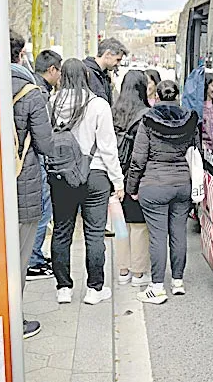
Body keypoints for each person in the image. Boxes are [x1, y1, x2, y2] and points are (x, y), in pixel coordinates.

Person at [49, 58, 124, 305]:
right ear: (86, 76)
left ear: (62, 77)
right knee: (94, 233)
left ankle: (63, 288)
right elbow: (108, 147)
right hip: (95, 175)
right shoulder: (98, 105)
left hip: (62, 176)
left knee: (62, 231)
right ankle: (94, 289)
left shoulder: (53, 102)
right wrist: (118, 180)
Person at [127, 80, 199, 304]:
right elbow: (194, 150)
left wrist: (132, 188)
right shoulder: (190, 119)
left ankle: (157, 286)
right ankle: (178, 282)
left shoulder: (148, 120)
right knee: (179, 233)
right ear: (177, 96)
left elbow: (138, 158)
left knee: (158, 236)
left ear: (156, 96)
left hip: (154, 184)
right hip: (182, 183)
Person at [10, 30, 53, 338]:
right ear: (21, 54)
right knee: (19, 257)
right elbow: (46, 144)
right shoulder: (30, 92)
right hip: (22, 183)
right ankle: (14, 320)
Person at [112, 71, 152, 288]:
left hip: (115, 175)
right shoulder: (146, 114)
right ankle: (138, 273)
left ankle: (122, 271)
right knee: (138, 227)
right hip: (137, 176)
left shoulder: (113, 111)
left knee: (120, 226)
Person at [26, 50, 62, 281]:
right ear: (52, 70)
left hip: (27, 158)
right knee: (42, 209)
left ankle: (33, 256)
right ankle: (34, 261)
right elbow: (43, 135)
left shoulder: (30, 86)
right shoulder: (40, 93)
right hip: (36, 160)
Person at [84, 37, 129, 106]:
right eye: (118, 60)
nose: (119, 64)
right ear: (107, 54)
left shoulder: (104, 75)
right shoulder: (86, 73)